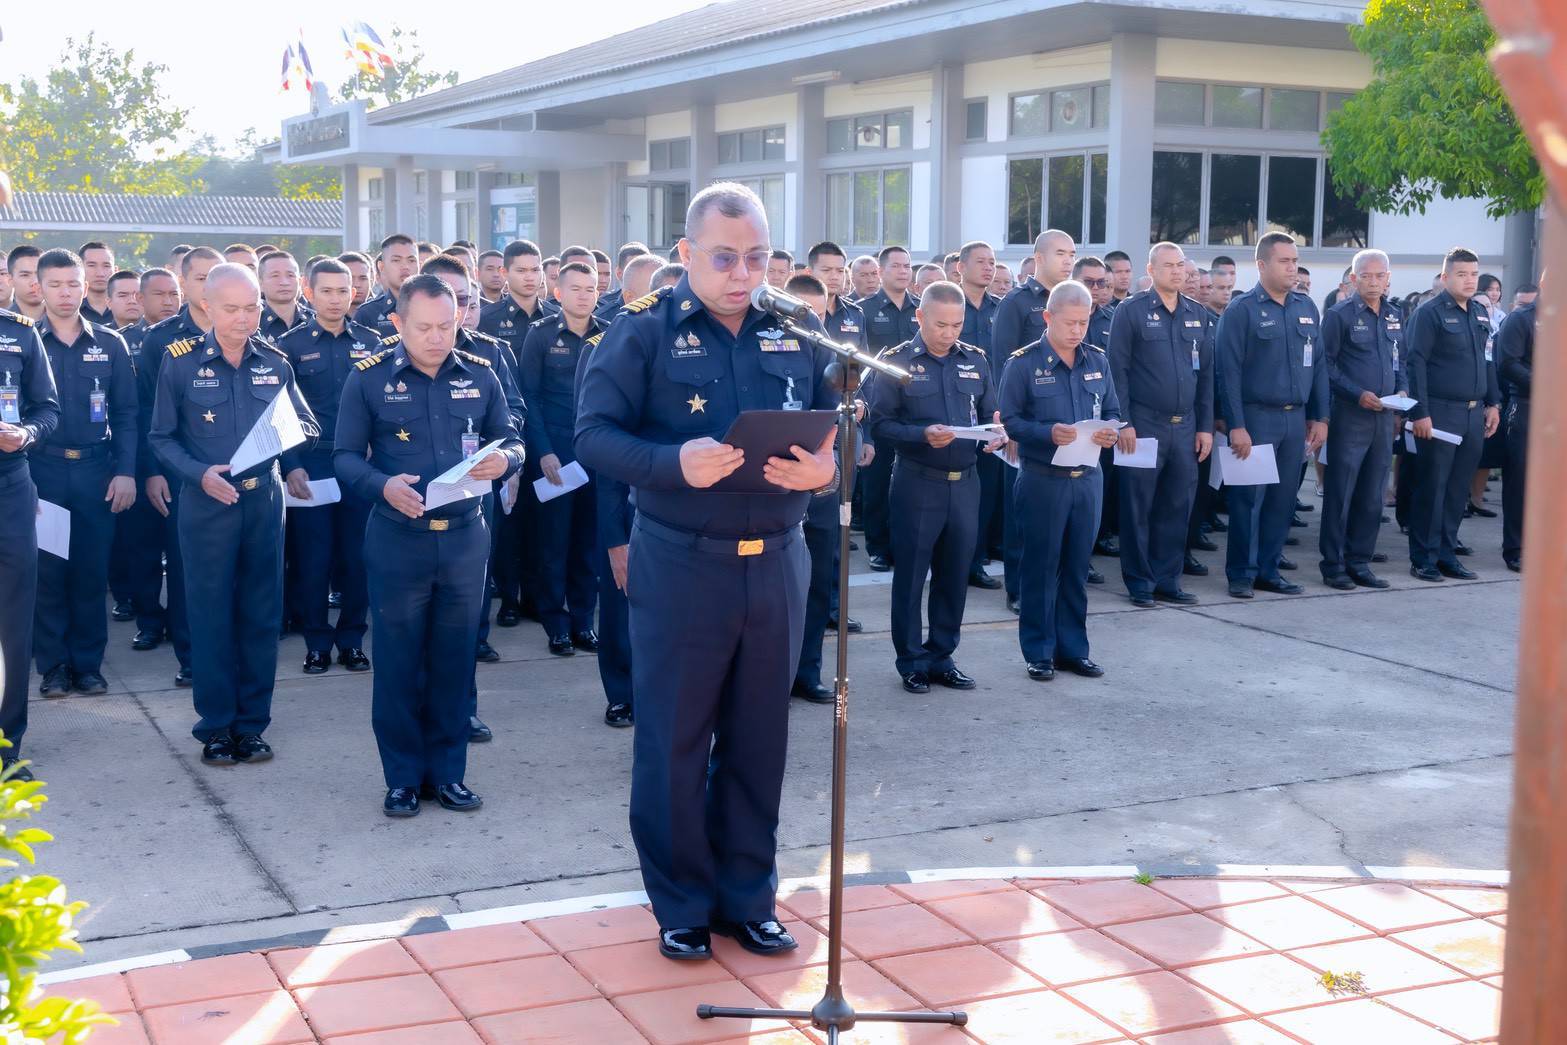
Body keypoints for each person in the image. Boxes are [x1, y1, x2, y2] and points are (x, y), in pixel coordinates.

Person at [575, 182, 837, 961]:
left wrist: (828, 473)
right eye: (724, 258)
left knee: (760, 739)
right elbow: (592, 434)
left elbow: (846, 427)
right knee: (675, 740)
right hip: (683, 562)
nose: (742, 273)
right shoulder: (641, 332)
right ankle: (682, 903)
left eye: (756, 257)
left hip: (778, 560)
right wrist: (670, 463)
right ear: (686, 253)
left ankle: (746, 897)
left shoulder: (795, 327)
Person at [334, 274, 524, 816]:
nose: (438, 337)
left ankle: (448, 775)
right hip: (399, 539)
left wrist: (506, 459)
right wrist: (382, 485)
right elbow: (343, 456)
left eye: (447, 325)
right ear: (397, 323)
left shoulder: (482, 374)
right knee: (397, 662)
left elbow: (513, 438)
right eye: (424, 328)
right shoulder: (369, 378)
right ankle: (401, 778)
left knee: (454, 661)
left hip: (465, 539)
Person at [147, 263, 320, 766]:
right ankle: (217, 726)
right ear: (207, 306)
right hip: (206, 503)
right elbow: (161, 437)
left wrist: (286, 436)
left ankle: (252, 725)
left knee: (261, 616)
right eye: (232, 309)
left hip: (263, 501)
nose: (244, 318)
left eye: (252, 308)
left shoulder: (276, 362)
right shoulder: (180, 363)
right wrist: (198, 474)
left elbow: (307, 422)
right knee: (210, 616)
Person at [867, 280, 1005, 694]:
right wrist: (922, 435)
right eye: (940, 324)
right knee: (911, 575)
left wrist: (996, 434)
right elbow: (880, 424)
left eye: (956, 325)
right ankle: (911, 660)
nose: (949, 333)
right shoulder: (897, 362)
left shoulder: (976, 361)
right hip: (917, 482)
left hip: (965, 483)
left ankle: (942, 655)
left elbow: (989, 414)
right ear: (920, 317)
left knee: (954, 574)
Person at [999, 280, 1120, 680]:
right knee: (1040, 567)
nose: (1077, 331)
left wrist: (1110, 432)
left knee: (1076, 568)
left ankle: (1073, 650)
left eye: (1083, 323)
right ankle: (1039, 651)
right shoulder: (1023, 364)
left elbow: (1113, 410)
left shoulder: (1097, 360)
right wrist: (1046, 433)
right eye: (1070, 323)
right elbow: (1010, 421)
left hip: (1087, 478)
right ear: (1048, 317)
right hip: (1043, 479)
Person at [29, 249, 137, 697]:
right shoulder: (24, 341)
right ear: (39, 288)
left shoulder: (110, 343)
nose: (65, 293)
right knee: (48, 574)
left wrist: (126, 471)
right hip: (42, 471)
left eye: (73, 283)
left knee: (91, 573)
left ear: (85, 286)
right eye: (55, 284)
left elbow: (127, 413)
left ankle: (88, 666)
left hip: (96, 471)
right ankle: (53, 667)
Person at [276, 259, 378, 673]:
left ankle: (352, 639)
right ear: (309, 292)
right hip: (312, 463)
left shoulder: (373, 342)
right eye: (327, 291)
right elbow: (280, 411)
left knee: (358, 558)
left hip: (359, 464)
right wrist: (291, 465)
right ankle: (316, 642)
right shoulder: (290, 345)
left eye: (343, 290)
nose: (336, 299)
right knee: (313, 560)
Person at [1216, 232, 1328, 598]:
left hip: (1294, 420)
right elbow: (1228, 373)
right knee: (1248, 501)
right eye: (1285, 261)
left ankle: (1268, 569)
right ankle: (1241, 574)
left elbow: (1319, 366)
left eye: (1295, 261)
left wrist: (1321, 417)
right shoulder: (1242, 310)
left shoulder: (1306, 307)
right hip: (1256, 418)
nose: (1292, 268)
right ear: (1262, 265)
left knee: (1282, 501)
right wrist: (1237, 425)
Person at [1107, 243, 1213, 607]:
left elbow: (1207, 375)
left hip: (1185, 426)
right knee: (1138, 506)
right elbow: (1117, 370)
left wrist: (1205, 427)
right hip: (1143, 424)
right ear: (1151, 270)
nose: (1177, 271)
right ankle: (1139, 581)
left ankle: (1168, 579)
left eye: (1180, 265)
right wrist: (1123, 422)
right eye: (1168, 266)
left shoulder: (1197, 313)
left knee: (1177, 504)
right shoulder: (1131, 311)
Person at [136, 249, 224, 685]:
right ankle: (192, 658)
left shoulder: (246, 330)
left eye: (215, 277)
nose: (208, 286)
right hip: (180, 473)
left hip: (236, 472)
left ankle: (228, 653)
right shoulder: (160, 340)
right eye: (200, 278)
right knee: (187, 566)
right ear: (183, 283)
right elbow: (145, 411)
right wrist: (152, 471)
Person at [518, 261, 605, 655]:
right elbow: (529, 398)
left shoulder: (609, 333)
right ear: (558, 293)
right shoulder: (540, 335)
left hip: (596, 454)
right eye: (576, 288)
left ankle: (583, 623)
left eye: (590, 289)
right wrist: (544, 452)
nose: (584, 296)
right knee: (553, 544)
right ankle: (556, 625)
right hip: (556, 454)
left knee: (588, 544)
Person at [1403, 248, 1500, 582]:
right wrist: (1420, 412)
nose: (1470, 280)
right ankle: (1424, 559)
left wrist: (1493, 403)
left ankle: (1447, 555)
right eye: (1462, 274)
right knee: (1433, 488)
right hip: (1440, 413)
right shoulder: (1429, 313)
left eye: (1474, 274)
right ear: (1445, 277)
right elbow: (1415, 363)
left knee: (1458, 490)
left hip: (1473, 413)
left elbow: (1488, 360)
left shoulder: (1479, 313)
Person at [992, 229, 1076, 607]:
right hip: (1026, 426)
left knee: (1061, 514)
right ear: (1039, 258)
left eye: (1072, 254)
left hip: (1066, 428)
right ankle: (1019, 588)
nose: (1068, 260)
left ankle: (1053, 585)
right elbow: (1002, 364)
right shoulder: (1016, 302)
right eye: (1061, 253)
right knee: (1022, 514)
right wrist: (1008, 427)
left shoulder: (1072, 300)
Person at [1319, 249, 1403, 590]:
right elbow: (1325, 365)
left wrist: (1402, 392)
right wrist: (1356, 393)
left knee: (1373, 494)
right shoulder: (1339, 315)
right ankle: (1333, 565)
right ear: (1353, 279)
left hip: (1384, 417)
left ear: (1388, 279)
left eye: (1379, 276)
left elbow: (1401, 360)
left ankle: (1359, 561)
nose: (1373, 282)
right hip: (1350, 416)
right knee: (1341, 492)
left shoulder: (1395, 314)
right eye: (1366, 276)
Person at [0, 303, 58, 780]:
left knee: (12, 624)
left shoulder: (19, 334)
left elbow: (47, 408)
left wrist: (25, 433)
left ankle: (6, 745)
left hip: (9, 487)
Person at [857, 246, 920, 572]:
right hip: (880, 404)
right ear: (881, 271)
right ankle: (878, 547)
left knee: (911, 482)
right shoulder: (863, 310)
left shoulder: (921, 309)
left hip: (915, 404)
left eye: (907, 266)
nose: (903, 271)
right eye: (896, 266)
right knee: (878, 479)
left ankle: (904, 543)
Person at [1498, 285, 1535, 573]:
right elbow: (1508, 363)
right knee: (1520, 482)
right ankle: (1517, 549)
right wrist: (1549, 382)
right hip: (1527, 406)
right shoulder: (1522, 318)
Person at [356, 234, 420, 336]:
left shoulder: (433, 306)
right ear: (381, 267)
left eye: (411, 260)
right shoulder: (367, 313)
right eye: (396, 260)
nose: (405, 266)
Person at [258, 251, 312, 341]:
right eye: (275, 276)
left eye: (290, 275)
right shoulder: (253, 324)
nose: (284, 282)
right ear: (260, 283)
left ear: (300, 282)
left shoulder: (317, 321)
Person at [78, 242, 116, 327]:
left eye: (106, 266)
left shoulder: (130, 307)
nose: (100, 273)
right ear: (79, 269)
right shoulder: (70, 308)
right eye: (92, 265)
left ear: (116, 270)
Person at [6, 246, 44, 321]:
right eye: (25, 275)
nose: (35, 282)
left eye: (40, 274)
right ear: (10, 280)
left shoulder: (65, 320)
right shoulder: (3, 323)